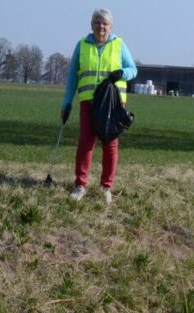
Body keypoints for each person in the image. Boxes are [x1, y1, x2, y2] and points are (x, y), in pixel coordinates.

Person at [60, 8, 137, 205]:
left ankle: (106, 187)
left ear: (111, 27)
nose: (100, 26)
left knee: (110, 144)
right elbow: (72, 77)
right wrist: (66, 102)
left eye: (104, 23)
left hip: (113, 103)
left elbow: (133, 70)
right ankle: (80, 185)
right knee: (86, 142)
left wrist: (121, 73)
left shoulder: (119, 44)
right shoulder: (82, 45)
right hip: (88, 101)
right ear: (91, 24)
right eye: (97, 22)